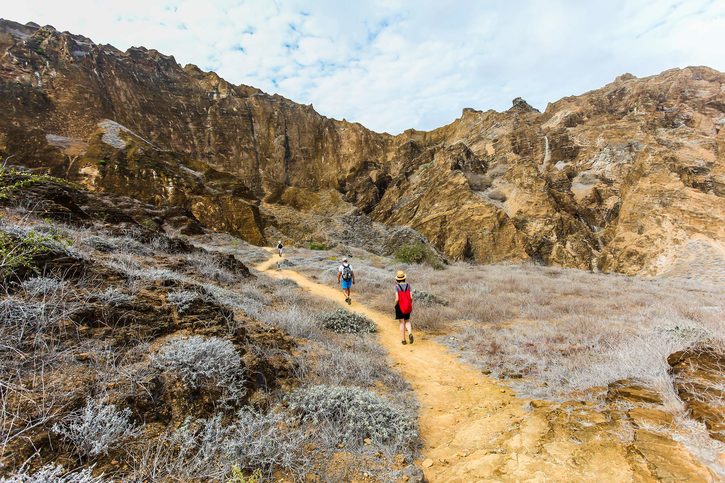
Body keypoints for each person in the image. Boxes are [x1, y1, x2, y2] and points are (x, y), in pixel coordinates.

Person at [394, 270, 414, 345]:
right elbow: (411, 297)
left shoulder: (397, 287)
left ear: (397, 279)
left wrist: (395, 305)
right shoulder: (408, 285)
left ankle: (403, 340)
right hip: (408, 306)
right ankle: (410, 333)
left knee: (402, 323)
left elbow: (397, 299)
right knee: (407, 320)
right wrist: (409, 304)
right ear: (404, 278)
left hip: (400, 306)